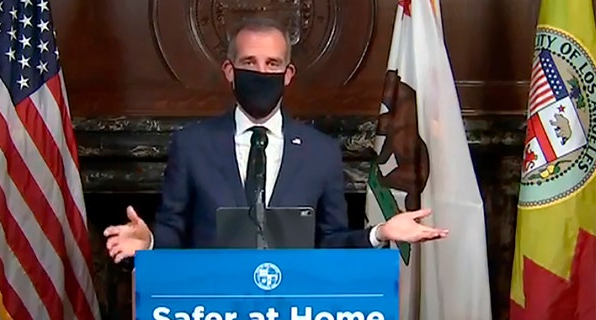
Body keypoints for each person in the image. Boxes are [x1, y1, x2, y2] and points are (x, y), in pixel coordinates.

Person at [104, 17, 448, 263]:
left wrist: (380, 234)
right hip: (212, 302)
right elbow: (174, 231)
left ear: (288, 75)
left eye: (272, 63)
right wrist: (148, 241)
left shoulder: (321, 152)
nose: (261, 72)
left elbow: (330, 242)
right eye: (250, 62)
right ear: (229, 71)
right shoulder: (192, 145)